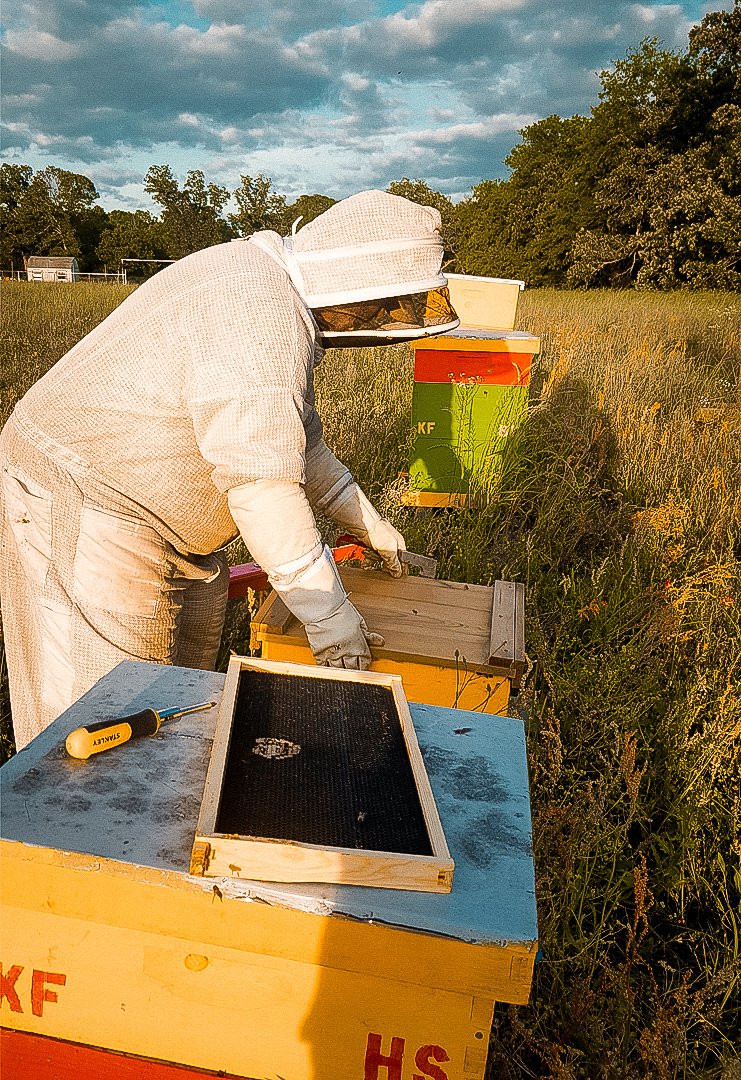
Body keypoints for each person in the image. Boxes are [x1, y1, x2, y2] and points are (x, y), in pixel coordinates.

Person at [0, 189, 459, 750]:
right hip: (90, 501)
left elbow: (296, 442)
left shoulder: (273, 292)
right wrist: (328, 614)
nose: (388, 320)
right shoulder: (256, 316)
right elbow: (261, 487)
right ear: (356, 279)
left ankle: (161, 821)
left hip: (166, 523)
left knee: (176, 697)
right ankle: (72, 834)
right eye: (387, 305)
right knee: (103, 713)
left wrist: (363, 519)